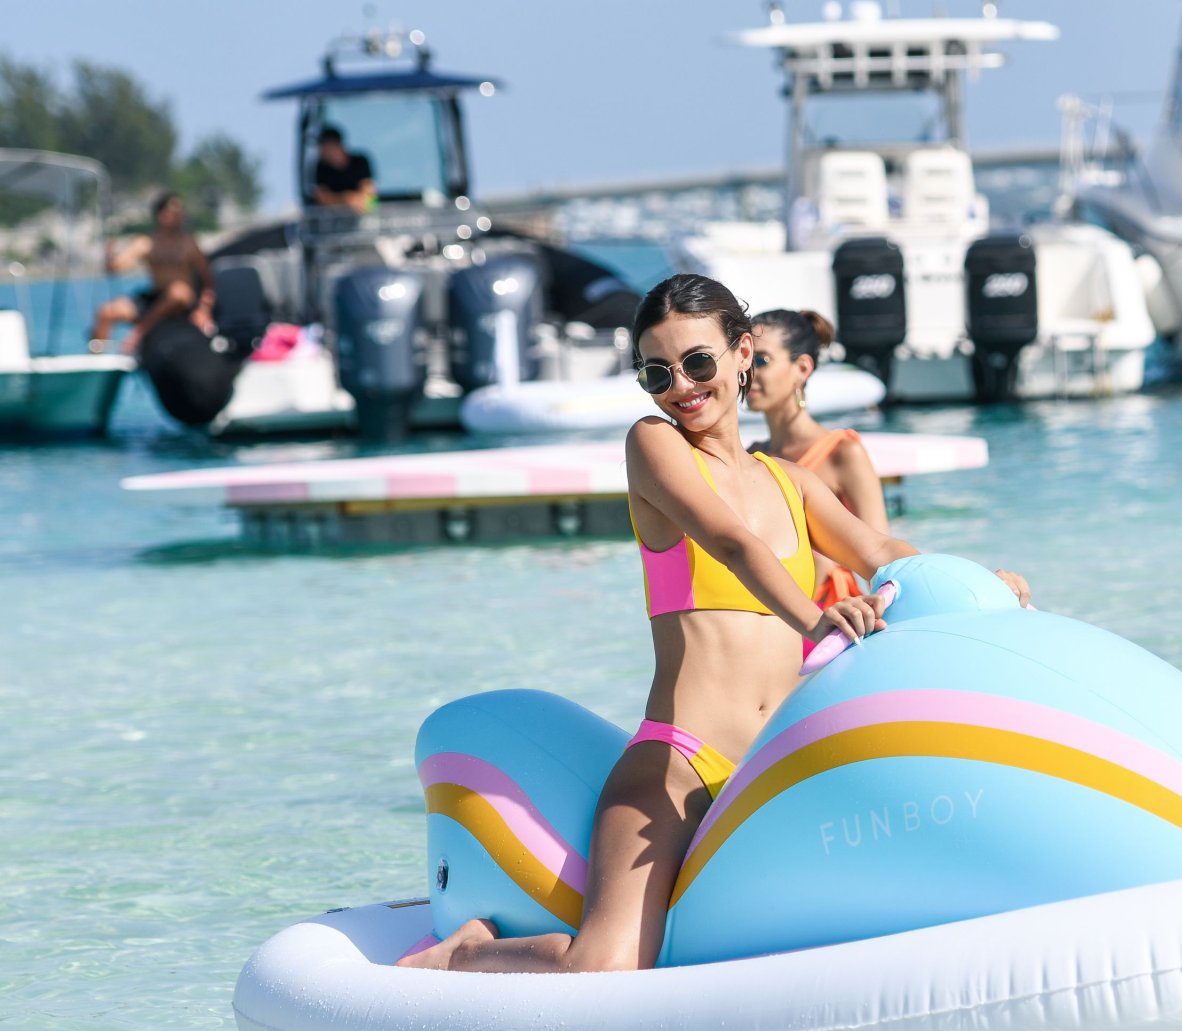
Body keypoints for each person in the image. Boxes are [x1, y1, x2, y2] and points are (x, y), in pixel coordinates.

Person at [401, 274, 1030, 974]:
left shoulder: (791, 482)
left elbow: (884, 552)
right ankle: (465, 953)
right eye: (657, 372)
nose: (681, 386)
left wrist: (981, 587)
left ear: (743, 353)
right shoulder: (654, 443)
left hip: (775, 768)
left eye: (698, 361)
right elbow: (732, 543)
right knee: (602, 967)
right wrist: (817, 619)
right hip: (681, 763)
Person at [745, 308, 888, 611]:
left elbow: (881, 559)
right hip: (765, 621)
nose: (748, 373)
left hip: (833, 620)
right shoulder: (751, 456)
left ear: (802, 368)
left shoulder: (842, 452)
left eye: (761, 361)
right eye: (743, 361)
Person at [88, 192, 215, 355]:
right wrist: (110, 255)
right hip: (156, 298)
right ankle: (96, 359)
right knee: (106, 312)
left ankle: (139, 333)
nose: (179, 216)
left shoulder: (189, 243)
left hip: (182, 303)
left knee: (179, 292)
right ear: (161, 215)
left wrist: (204, 309)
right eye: (174, 212)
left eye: (180, 212)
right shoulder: (146, 243)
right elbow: (115, 268)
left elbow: (208, 279)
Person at [308, 126, 377, 212]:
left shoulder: (360, 162)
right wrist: (347, 199)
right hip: (333, 218)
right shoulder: (321, 168)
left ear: (335, 146)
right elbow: (321, 198)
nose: (320, 151)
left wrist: (358, 201)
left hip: (363, 215)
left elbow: (371, 196)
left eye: (323, 146)